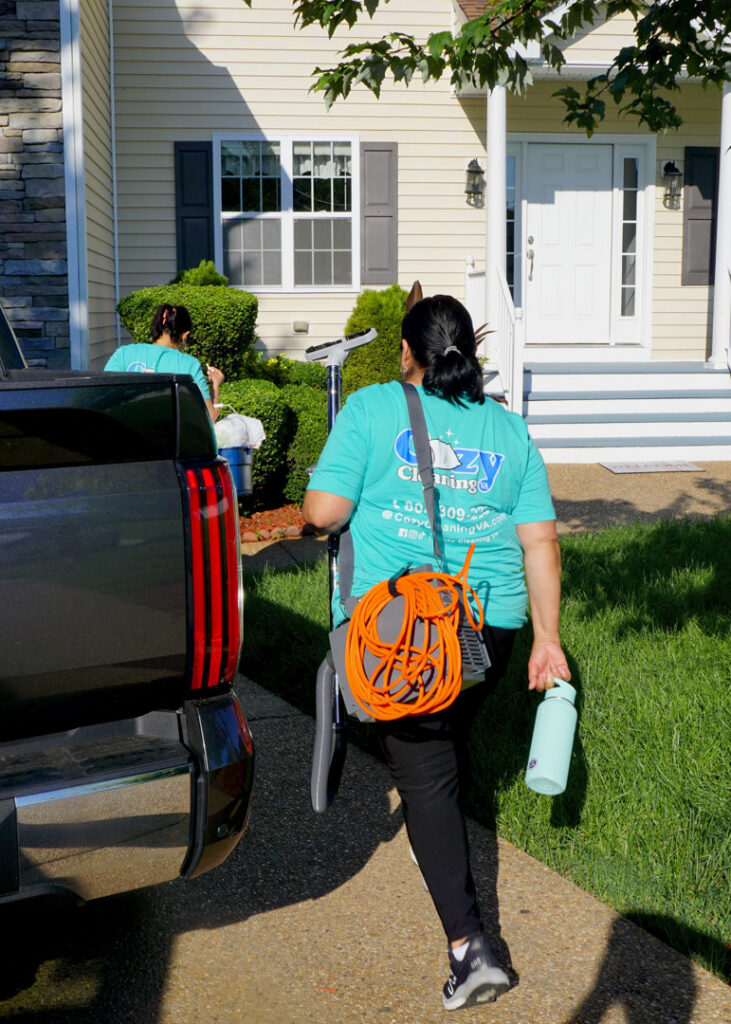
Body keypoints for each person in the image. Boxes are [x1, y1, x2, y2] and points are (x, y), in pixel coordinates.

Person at [302, 294, 570, 1012]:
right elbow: (539, 540)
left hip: (398, 629)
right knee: (444, 734)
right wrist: (548, 640)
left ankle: (469, 948)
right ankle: (439, 823)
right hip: (489, 626)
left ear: (405, 352)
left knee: (422, 774)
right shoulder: (509, 431)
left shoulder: (369, 410)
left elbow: (321, 514)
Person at [104, 303, 224, 421]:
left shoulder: (124, 353)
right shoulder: (189, 364)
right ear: (185, 335)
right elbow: (209, 417)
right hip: (169, 438)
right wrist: (215, 385)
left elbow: (104, 398)